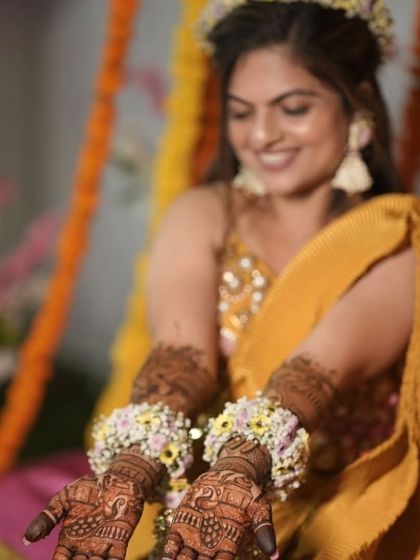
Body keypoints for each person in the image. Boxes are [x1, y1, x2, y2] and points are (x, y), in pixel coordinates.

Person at [23, 0, 420, 558]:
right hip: (200, 512)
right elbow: (183, 352)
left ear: (356, 104)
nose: (261, 135)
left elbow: (320, 368)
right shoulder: (205, 213)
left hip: (345, 517)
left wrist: (239, 469)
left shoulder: (398, 237)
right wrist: (134, 466)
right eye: (240, 112)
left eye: (293, 107)